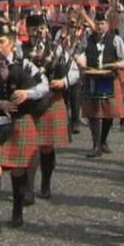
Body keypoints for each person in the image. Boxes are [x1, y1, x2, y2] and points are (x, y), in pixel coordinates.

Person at [0, 22, 48, 236]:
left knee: (18, 169)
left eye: (1, 42)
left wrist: (28, 94)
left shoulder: (26, 65)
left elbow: (43, 85)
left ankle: (17, 210)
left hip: (21, 120)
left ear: (11, 43)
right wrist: (0, 104)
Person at [22, 14, 79, 202]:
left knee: (46, 147)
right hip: (28, 102)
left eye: (41, 29)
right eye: (33, 29)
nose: (38, 32)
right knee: (29, 147)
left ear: (46, 30)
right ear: (27, 30)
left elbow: (74, 72)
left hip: (51, 101)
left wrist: (63, 82)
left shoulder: (56, 49)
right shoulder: (20, 50)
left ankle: (45, 182)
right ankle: (27, 189)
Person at [75, 8, 124, 158]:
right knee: (93, 113)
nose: (100, 26)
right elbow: (78, 52)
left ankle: (103, 140)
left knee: (109, 113)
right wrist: (80, 59)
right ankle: (96, 145)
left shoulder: (115, 39)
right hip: (91, 76)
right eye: (98, 23)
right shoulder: (88, 38)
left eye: (103, 23)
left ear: (107, 25)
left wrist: (116, 65)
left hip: (108, 77)